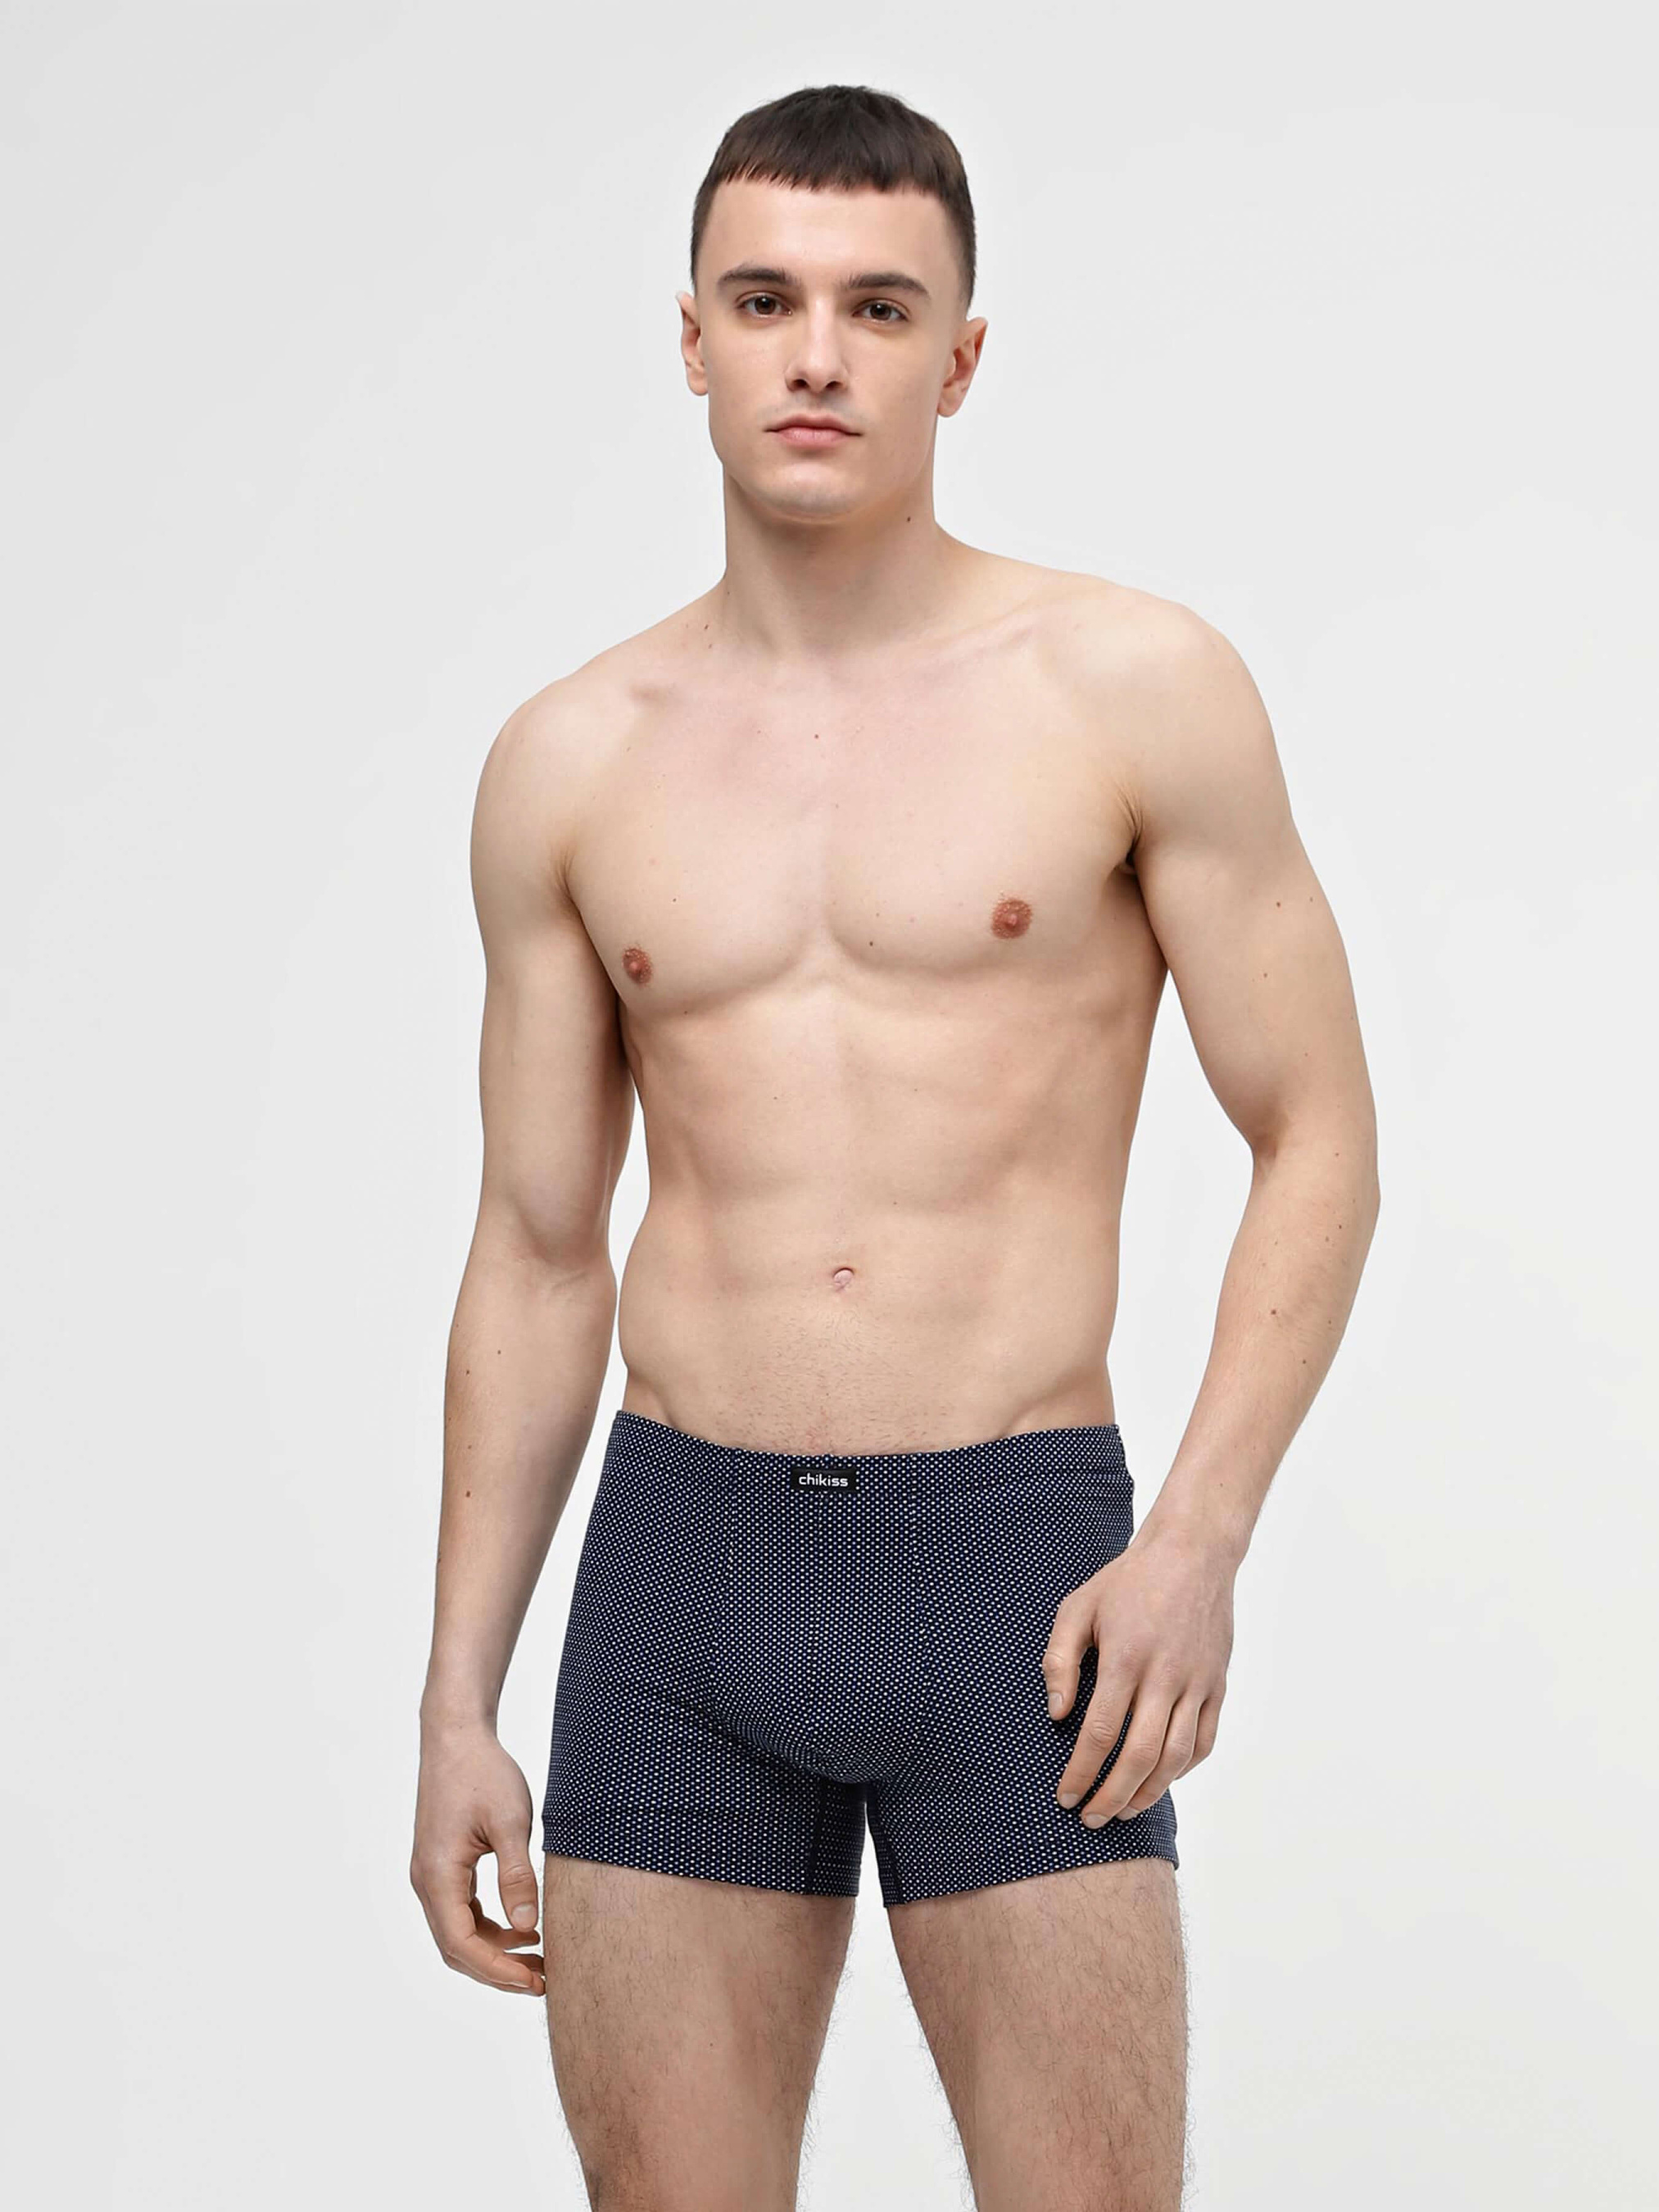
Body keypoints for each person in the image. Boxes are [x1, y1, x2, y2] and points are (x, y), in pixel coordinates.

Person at [410, 79, 1380, 2212]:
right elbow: (538, 1247)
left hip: (1016, 1566)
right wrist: (458, 1690)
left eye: (877, 307)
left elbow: (1316, 1130)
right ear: (690, 339)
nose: (817, 356)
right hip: (678, 1577)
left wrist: (1198, 1537)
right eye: (764, 301)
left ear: (960, 356)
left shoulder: (1130, 688)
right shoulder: (571, 761)